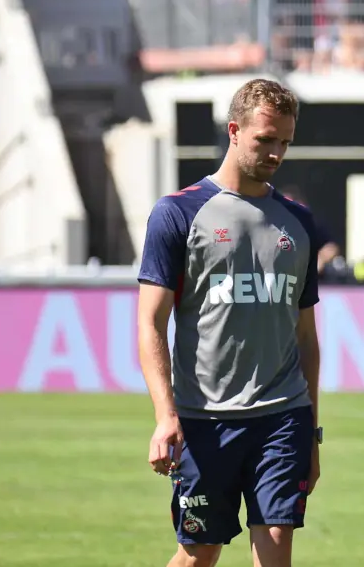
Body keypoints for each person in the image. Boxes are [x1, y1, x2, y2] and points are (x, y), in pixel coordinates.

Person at [136, 78, 326, 567]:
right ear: (234, 130)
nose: (277, 152)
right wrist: (165, 416)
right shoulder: (178, 213)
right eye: (266, 139)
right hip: (205, 420)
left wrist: (313, 431)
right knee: (199, 554)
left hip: (283, 417)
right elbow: (150, 323)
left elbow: (306, 338)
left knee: (277, 547)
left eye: (286, 141)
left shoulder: (299, 223)